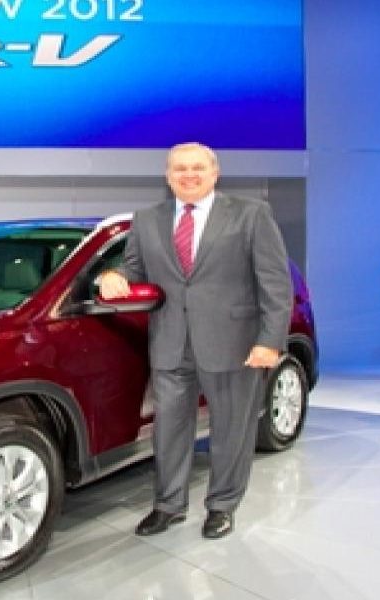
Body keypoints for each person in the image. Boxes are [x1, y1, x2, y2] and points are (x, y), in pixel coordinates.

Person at [99, 142, 292, 539]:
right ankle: (168, 506)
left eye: (197, 168)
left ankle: (222, 506)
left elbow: (275, 284)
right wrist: (112, 275)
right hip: (170, 342)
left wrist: (270, 341)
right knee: (169, 430)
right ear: (168, 176)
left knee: (231, 431)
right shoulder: (147, 219)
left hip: (234, 343)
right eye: (180, 169)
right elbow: (134, 267)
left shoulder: (251, 214)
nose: (189, 175)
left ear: (214, 172)